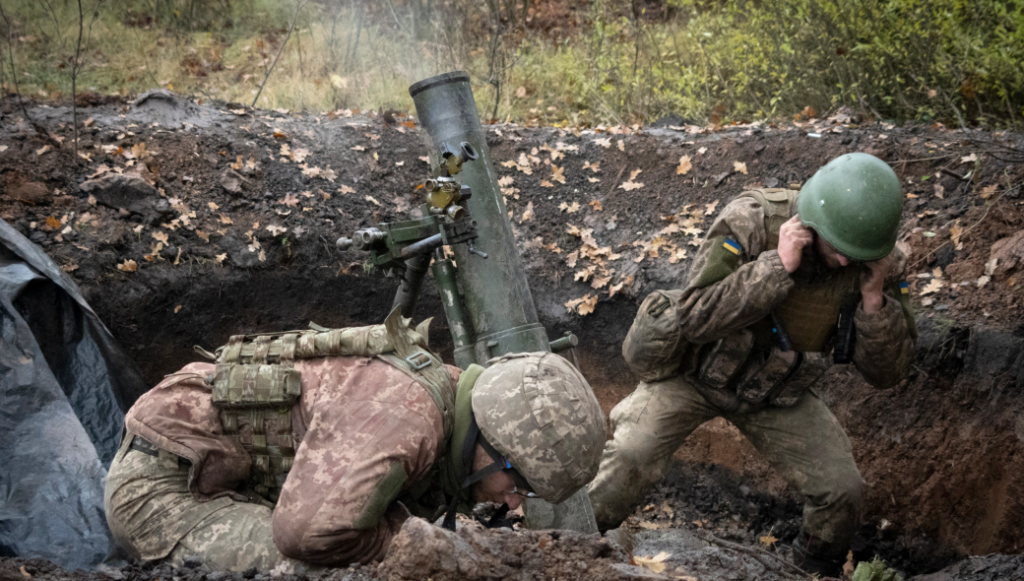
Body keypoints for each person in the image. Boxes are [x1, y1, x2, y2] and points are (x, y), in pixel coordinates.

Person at [588, 152, 917, 575]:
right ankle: (573, 543)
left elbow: (890, 374)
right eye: (839, 249)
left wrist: (874, 303)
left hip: (778, 394)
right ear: (815, 222)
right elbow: (695, 315)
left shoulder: (877, 259)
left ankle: (811, 569)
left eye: (857, 255)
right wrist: (775, 268)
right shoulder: (752, 220)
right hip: (694, 375)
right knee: (630, 456)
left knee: (843, 491)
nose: (845, 263)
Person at [104, 309, 606, 571]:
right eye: (518, 481)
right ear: (487, 435)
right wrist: (410, 545)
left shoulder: (447, 399)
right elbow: (306, 536)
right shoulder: (407, 415)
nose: (515, 502)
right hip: (168, 485)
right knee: (326, 570)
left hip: (243, 482)